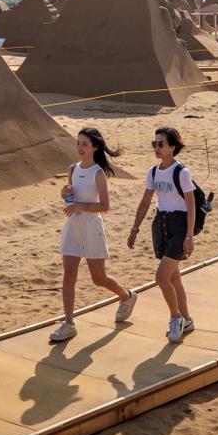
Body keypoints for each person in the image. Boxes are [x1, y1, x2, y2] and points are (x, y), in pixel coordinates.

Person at [49, 128, 137, 342]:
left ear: (95, 147)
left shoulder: (98, 173)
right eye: (78, 143)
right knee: (69, 275)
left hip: (91, 227)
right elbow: (69, 197)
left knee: (98, 278)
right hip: (73, 227)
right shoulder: (72, 169)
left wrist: (80, 205)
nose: (80, 148)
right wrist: (64, 193)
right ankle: (69, 323)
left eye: (84, 144)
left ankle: (126, 296)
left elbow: (104, 206)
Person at [128, 127, 197, 343]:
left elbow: (191, 206)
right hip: (161, 225)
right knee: (174, 277)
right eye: (154, 144)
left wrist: (189, 236)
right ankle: (187, 319)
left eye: (161, 144)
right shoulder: (153, 172)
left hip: (179, 226)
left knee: (161, 278)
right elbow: (146, 201)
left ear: (172, 147)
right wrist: (134, 229)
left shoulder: (182, 173)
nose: (157, 148)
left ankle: (175, 318)